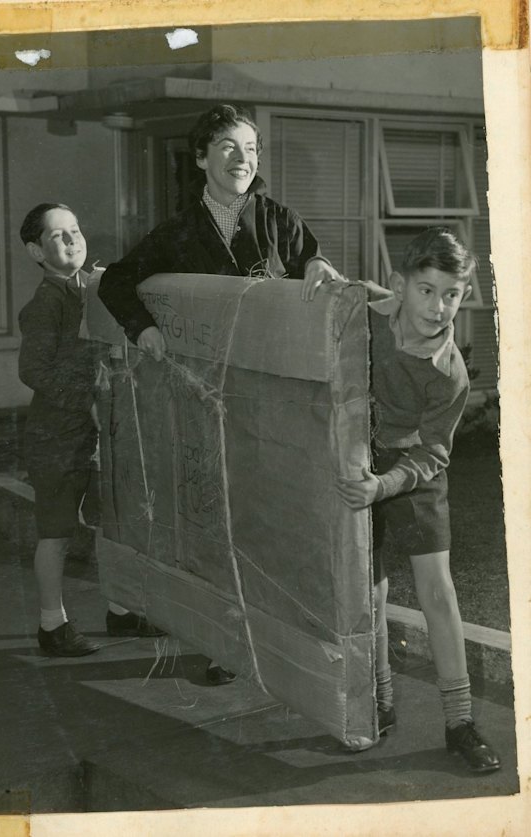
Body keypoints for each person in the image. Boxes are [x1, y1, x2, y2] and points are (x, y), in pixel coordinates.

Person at [98, 103, 344, 683]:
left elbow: (315, 260)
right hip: (208, 401)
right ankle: (224, 646)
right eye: (230, 147)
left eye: (252, 148)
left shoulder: (278, 217)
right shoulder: (177, 233)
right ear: (203, 156)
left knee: (275, 518)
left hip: (275, 400)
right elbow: (115, 280)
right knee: (221, 520)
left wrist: (317, 269)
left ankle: (284, 645)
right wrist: (145, 328)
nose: (243, 158)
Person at [329, 227, 500, 772]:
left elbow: (433, 454)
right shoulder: (371, 315)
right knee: (368, 588)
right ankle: (380, 701)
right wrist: (315, 271)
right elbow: (343, 289)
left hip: (413, 472)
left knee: (438, 592)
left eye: (452, 294)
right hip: (362, 458)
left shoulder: (449, 373)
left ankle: (460, 722)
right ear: (401, 286)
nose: (439, 306)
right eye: (427, 290)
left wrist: (386, 484)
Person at [18, 202, 165, 657]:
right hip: (58, 435)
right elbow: (34, 371)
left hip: (99, 429)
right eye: (57, 236)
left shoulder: (93, 290)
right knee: (57, 533)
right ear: (35, 251)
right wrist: (90, 399)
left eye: (75, 230)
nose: (72, 240)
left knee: (113, 522)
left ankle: (120, 610)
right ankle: (51, 625)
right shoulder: (46, 302)